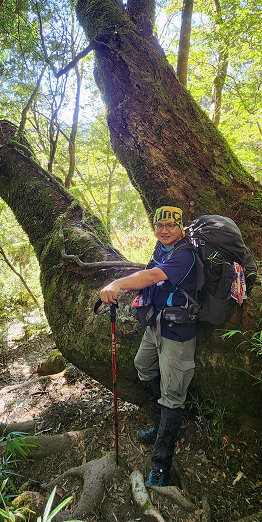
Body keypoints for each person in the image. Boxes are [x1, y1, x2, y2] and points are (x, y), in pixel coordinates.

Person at [99, 205, 198, 487]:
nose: (164, 230)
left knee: (173, 394)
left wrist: (117, 284)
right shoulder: (161, 247)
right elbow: (150, 273)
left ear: (180, 227)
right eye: (159, 225)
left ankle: (161, 464)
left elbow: (155, 276)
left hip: (178, 332)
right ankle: (158, 425)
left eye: (170, 225)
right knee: (143, 365)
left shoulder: (185, 254)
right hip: (156, 324)